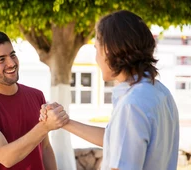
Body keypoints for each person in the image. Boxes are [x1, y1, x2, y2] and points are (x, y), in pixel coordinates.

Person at [40, 10, 179, 170]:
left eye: (96, 49)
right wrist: (64, 122)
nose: (96, 58)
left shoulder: (131, 104)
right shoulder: (160, 92)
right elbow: (115, 139)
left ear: (109, 50)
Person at [0, 30, 69, 170]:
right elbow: (6, 157)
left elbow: (44, 148)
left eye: (12, 55)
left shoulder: (36, 96)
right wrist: (45, 126)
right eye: (1, 59)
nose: (11, 63)